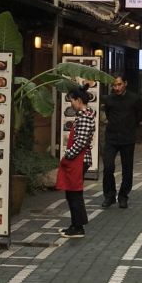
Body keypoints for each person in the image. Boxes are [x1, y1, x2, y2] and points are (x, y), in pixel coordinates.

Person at [56, 85, 96, 238]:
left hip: (79, 160)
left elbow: (81, 141)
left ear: (78, 100)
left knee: (74, 193)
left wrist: (68, 155)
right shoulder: (84, 115)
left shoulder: (85, 117)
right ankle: (75, 225)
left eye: (72, 100)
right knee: (72, 193)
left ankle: (78, 227)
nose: (71, 104)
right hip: (78, 159)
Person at [100, 74, 142, 208]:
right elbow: (108, 115)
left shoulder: (135, 99)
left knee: (127, 170)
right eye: (114, 85)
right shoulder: (109, 99)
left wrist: (130, 127)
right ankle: (109, 195)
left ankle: (123, 196)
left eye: (119, 84)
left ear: (125, 83)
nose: (117, 88)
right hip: (111, 138)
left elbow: (138, 116)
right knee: (108, 167)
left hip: (127, 138)